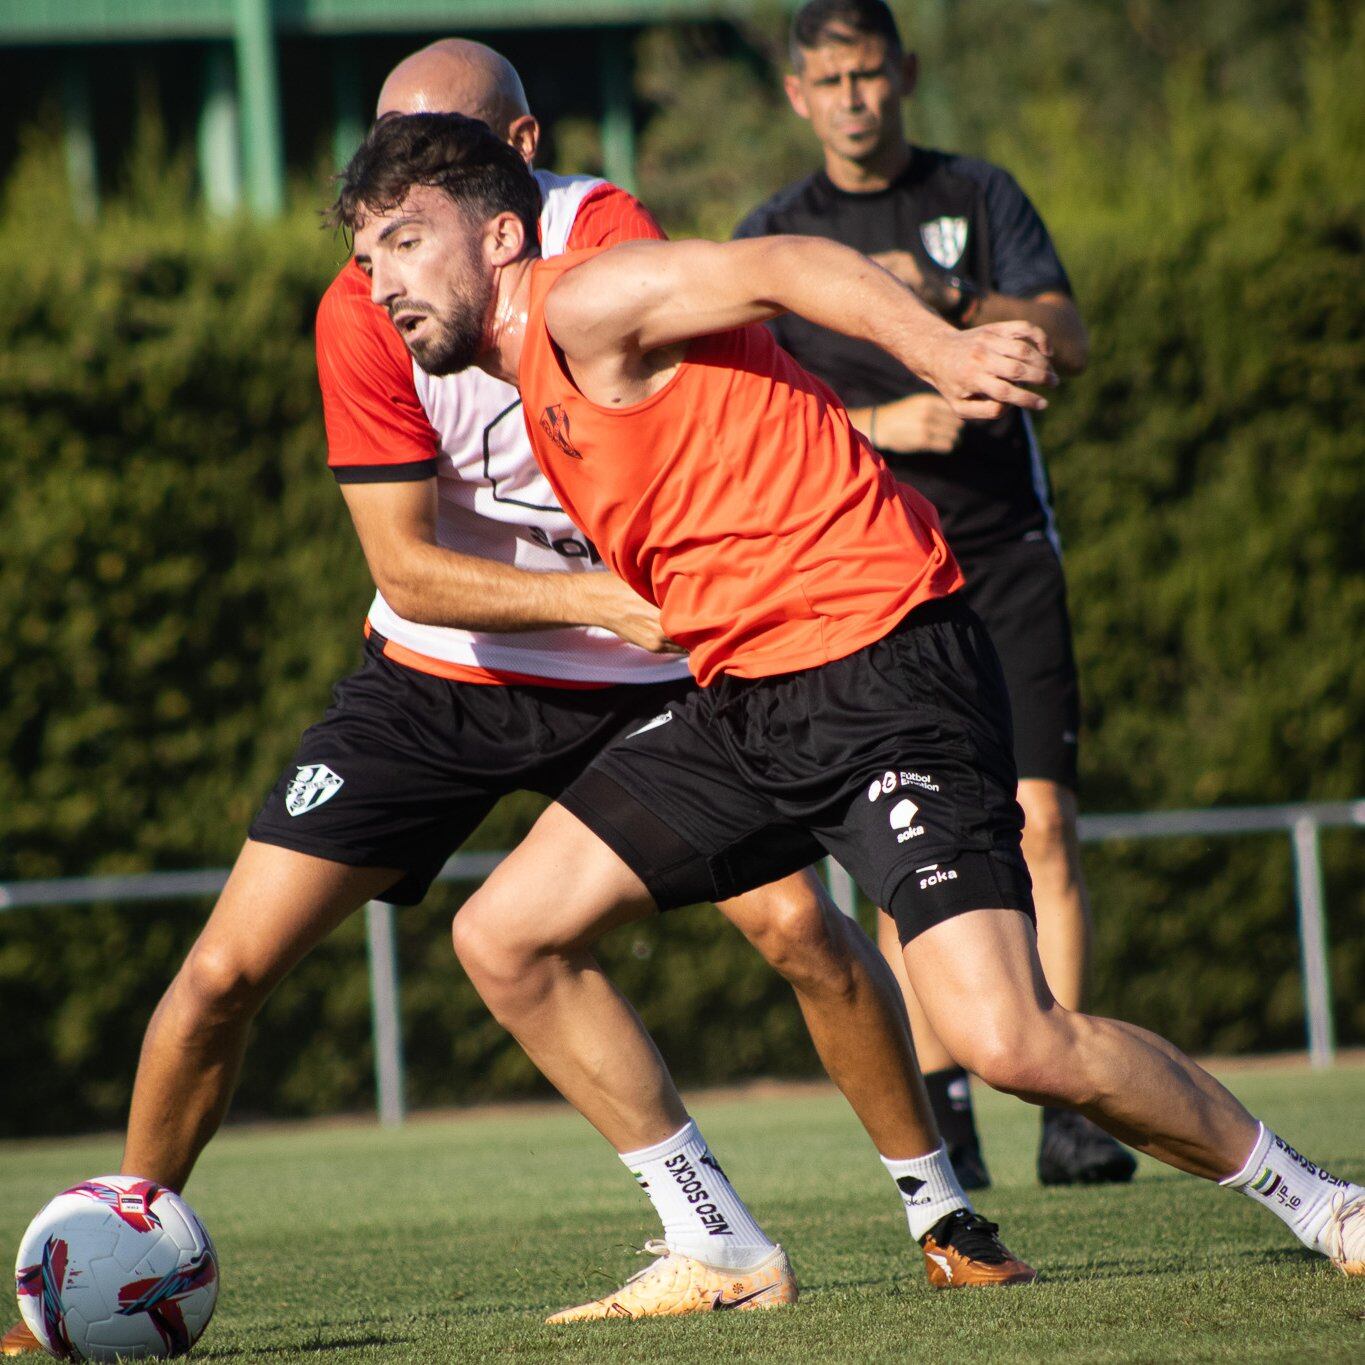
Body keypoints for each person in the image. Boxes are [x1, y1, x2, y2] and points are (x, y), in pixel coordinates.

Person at [0, 39, 1031, 1359]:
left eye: (427, 151)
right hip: (440, 672)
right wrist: (598, 599)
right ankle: (109, 1261)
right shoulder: (361, 304)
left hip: (650, 672)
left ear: (518, 155)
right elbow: (402, 565)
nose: (387, 190)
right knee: (219, 971)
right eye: (378, 155)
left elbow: (726, 402)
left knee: (797, 930)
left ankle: (945, 1217)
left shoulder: (609, 240)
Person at [332, 109, 1365, 1317]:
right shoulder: (529, 380)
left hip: (885, 670)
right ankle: (717, 1245)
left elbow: (780, 269)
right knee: (505, 936)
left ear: (501, 233)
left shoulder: (584, 301)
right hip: (749, 698)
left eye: (406, 242)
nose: (381, 283)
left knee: (1011, 1042)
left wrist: (942, 349)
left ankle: (1328, 1205)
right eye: (364, 262)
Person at [733, 0, 1129, 1190]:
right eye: (831, 79)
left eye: (871, 73)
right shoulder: (776, 238)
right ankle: (948, 1100)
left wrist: (951, 314)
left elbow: (1066, 332)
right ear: (798, 96)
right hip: (862, 578)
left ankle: (1067, 1102)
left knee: (1043, 824)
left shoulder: (979, 197)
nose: (855, 96)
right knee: (908, 850)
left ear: (903, 74)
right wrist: (883, 421)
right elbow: (749, 419)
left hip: (1004, 557)